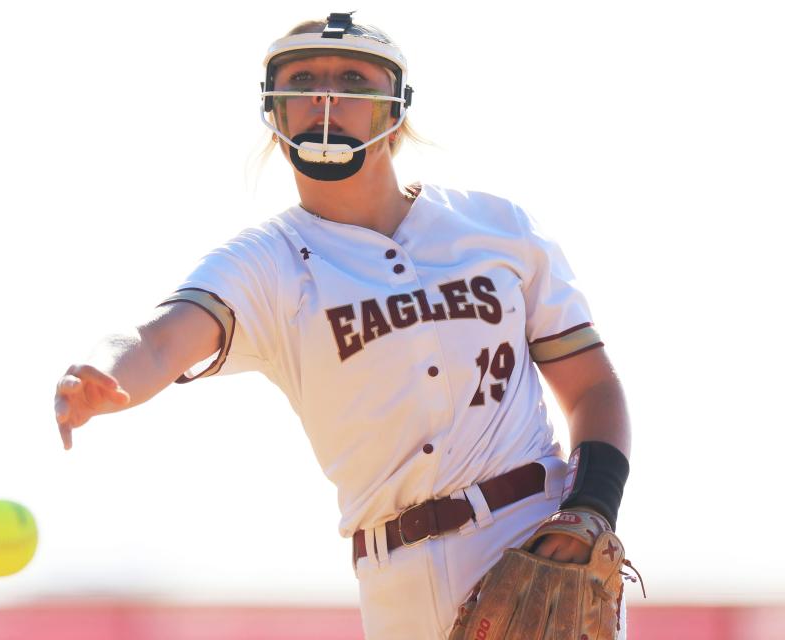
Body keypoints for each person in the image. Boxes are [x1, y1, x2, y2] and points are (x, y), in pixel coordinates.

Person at [54, 12, 632, 640]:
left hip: (536, 534)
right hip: (397, 580)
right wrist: (102, 369)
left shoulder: (497, 227)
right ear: (274, 113)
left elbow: (592, 389)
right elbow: (158, 337)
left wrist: (592, 509)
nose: (325, 101)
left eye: (353, 80)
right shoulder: (267, 262)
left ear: (395, 111)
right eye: (302, 82)